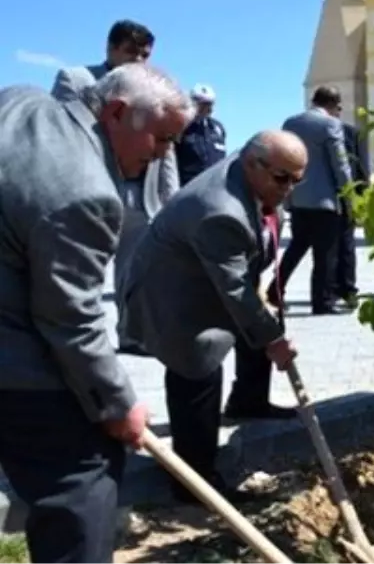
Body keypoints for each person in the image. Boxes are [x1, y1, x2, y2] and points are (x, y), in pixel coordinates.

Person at [0, 63, 191, 563]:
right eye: (162, 139)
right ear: (116, 112)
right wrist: (118, 405)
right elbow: (70, 320)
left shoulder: (20, 101)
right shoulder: (86, 193)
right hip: (13, 361)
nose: (161, 156)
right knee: (83, 474)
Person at [118, 131, 304, 505]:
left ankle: (248, 402)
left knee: (256, 324)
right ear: (254, 164)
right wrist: (274, 340)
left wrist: (267, 330)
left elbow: (242, 281)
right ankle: (194, 482)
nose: (289, 189)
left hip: (210, 273)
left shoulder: (251, 175)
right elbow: (234, 289)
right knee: (199, 367)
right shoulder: (221, 210)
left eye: (297, 180)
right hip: (173, 296)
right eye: (282, 179)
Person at [50, 19, 179, 357]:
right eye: (132, 52)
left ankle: (133, 336)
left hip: (140, 195)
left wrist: (172, 198)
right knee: (82, 268)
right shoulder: (76, 80)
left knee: (134, 271)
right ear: (110, 48)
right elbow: (65, 130)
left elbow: (166, 147)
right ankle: (80, 340)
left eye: (145, 55)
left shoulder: (155, 87)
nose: (139, 61)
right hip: (90, 190)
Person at [269, 86, 355, 315]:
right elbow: (340, 164)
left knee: (296, 247)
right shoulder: (330, 125)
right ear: (332, 104)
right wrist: (349, 196)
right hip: (325, 201)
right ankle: (322, 302)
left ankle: (274, 290)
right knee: (325, 254)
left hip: (298, 199)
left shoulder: (290, 123)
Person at [335, 117, 369, 304]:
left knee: (340, 244)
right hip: (344, 194)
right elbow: (362, 165)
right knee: (346, 244)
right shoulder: (351, 131)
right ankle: (346, 289)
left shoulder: (351, 131)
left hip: (332, 194)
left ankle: (341, 289)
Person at [175, 84, 228, 186]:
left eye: (211, 104)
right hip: (189, 187)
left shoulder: (218, 128)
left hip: (215, 186)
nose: (209, 108)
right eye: (204, 104)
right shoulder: (181, 128)